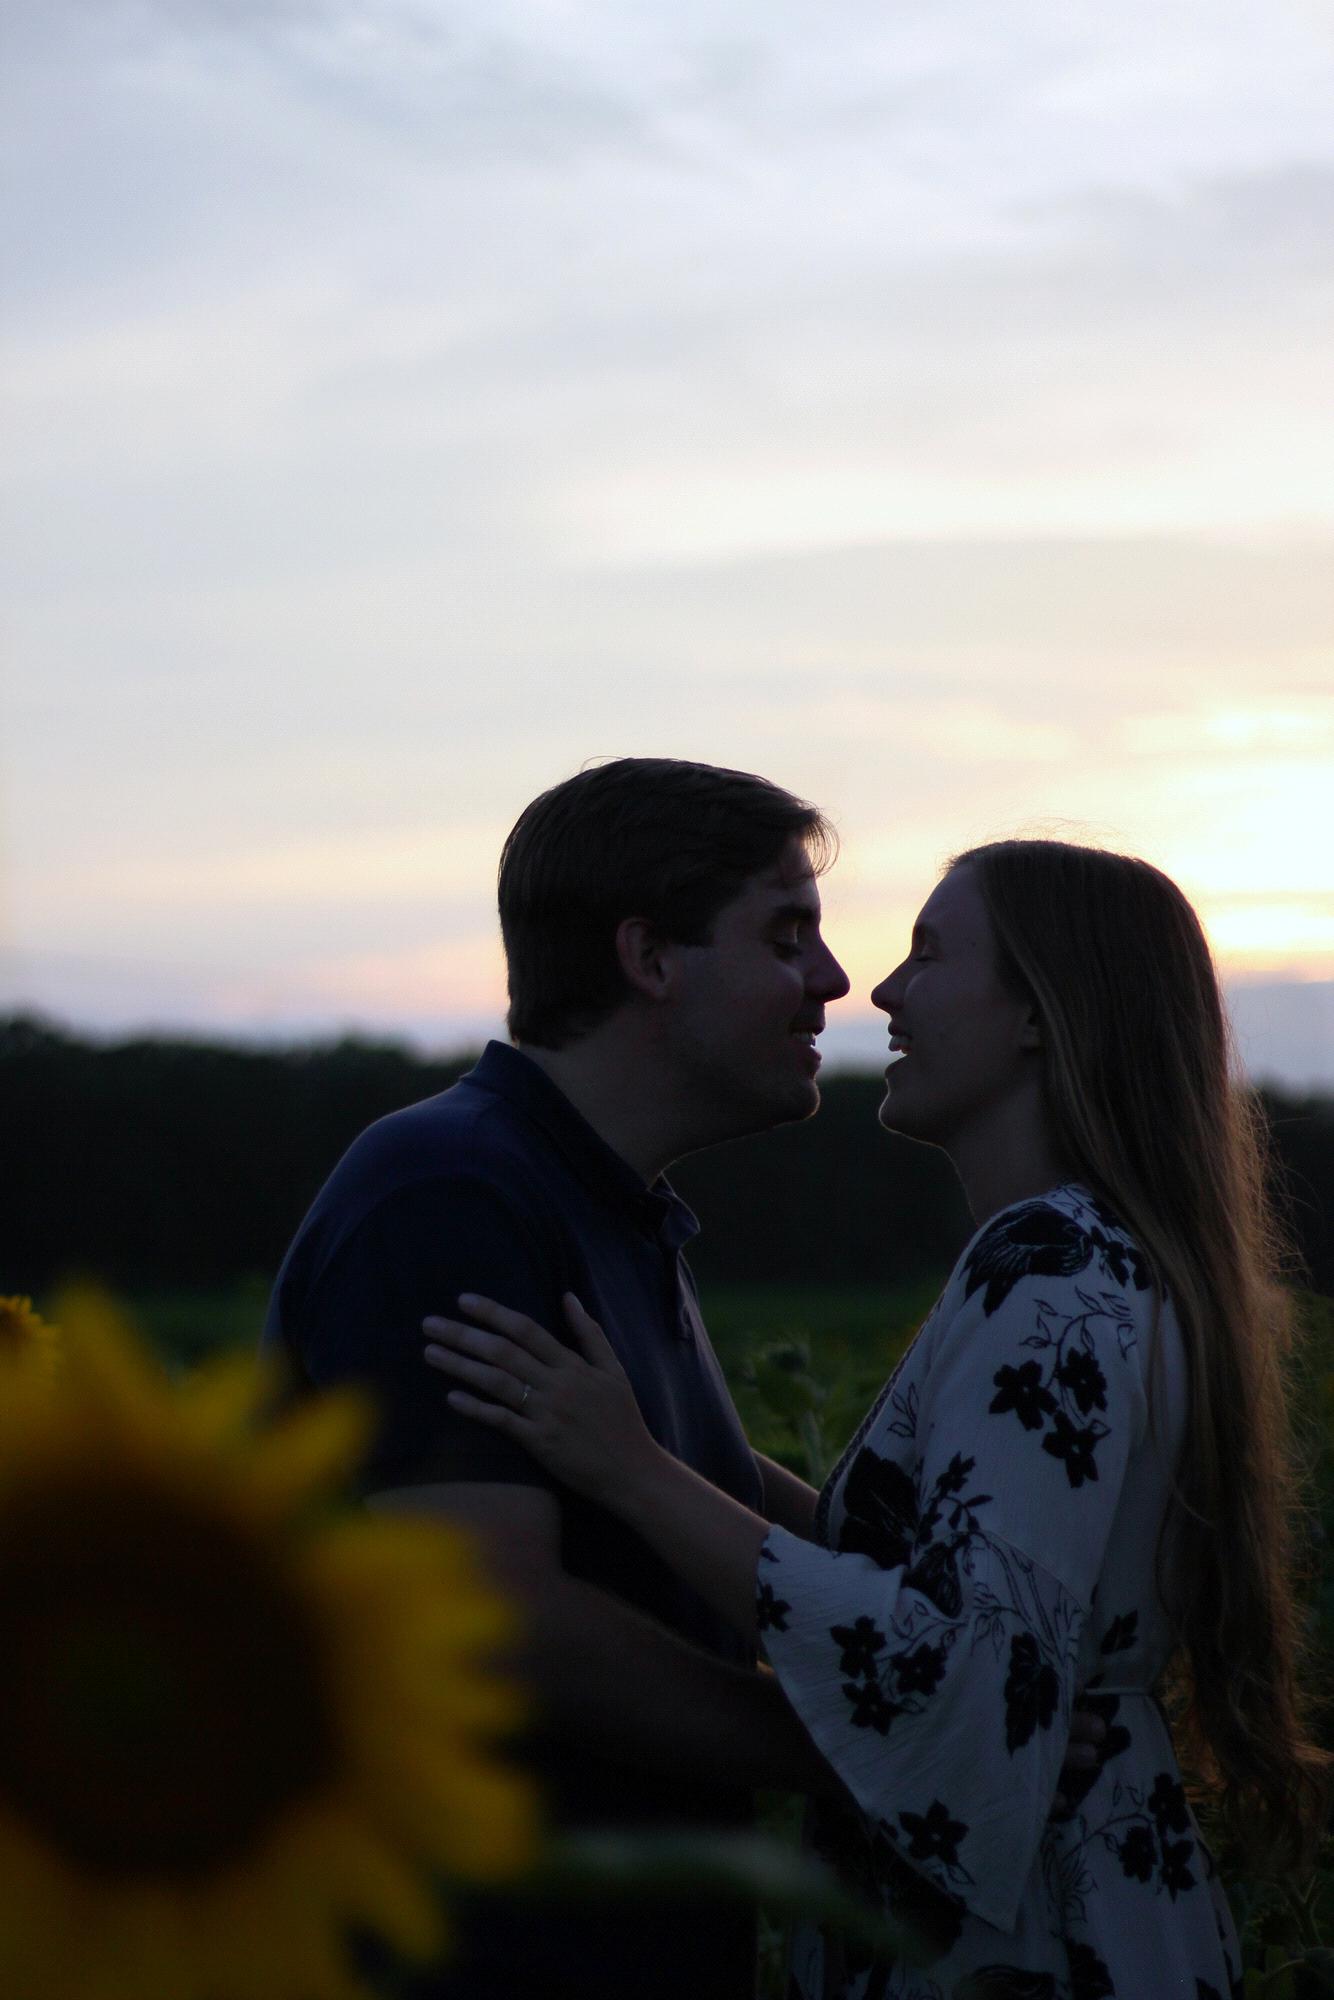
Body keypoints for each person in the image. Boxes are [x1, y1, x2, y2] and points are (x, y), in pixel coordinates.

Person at [423, 838, 1330, 1999]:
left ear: (1035, 1015)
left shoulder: (1046, 1268)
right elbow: (937, 1573)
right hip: (1084, 1890)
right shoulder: (1098, 1256)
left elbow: (963, 1674)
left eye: (927, 954)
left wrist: (633, 1469)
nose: (881, 990)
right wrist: (665, 1435)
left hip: (1021, 1933)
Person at [263, 757, 859, 2000]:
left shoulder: (600, 1198)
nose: (830, 978)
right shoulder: (449, 1191)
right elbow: (503, 1622)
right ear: (648, 957)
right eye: (784, 933)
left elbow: (700, 1478)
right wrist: (864, 1746)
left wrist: (959, 1611)